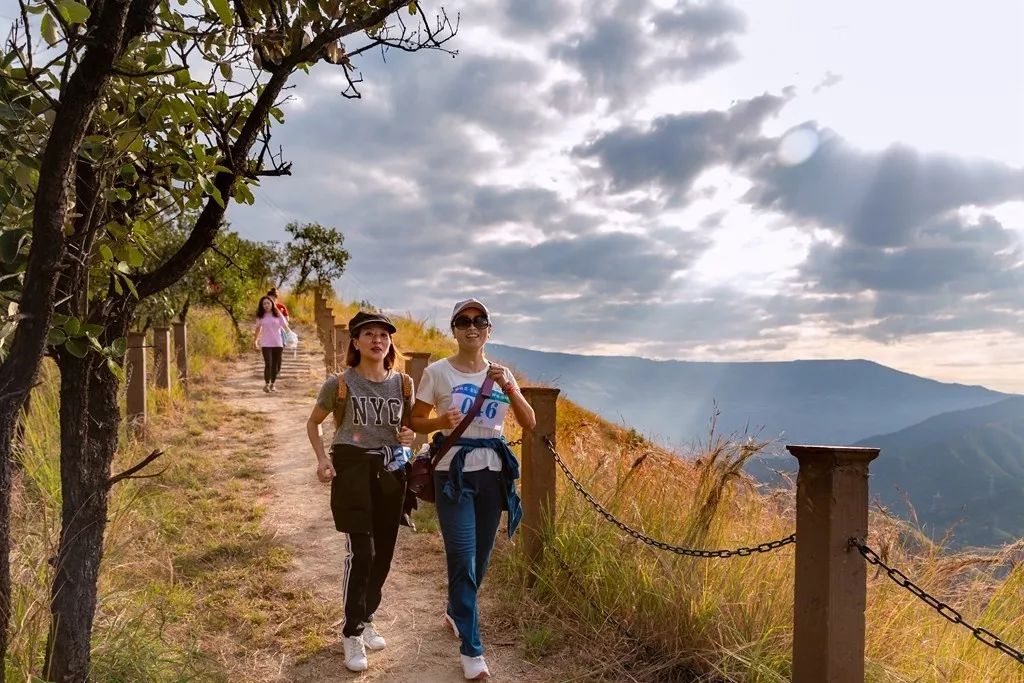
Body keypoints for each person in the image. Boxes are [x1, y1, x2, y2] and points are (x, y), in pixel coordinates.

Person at [410, 298, 535, 681]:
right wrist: (438, 422)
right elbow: (415, 420)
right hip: (453, 475)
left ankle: (455, 610)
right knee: (462, 558)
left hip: (493, 476)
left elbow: (529, 422)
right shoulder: (437, 373)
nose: (472, 326)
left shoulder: (502, 374)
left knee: (480, 559)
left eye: (480, 321)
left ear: (488, 330)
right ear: (454, 329)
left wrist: (509, 388)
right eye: (463, 321)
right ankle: (472, 649)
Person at [305, 311, 416, 673]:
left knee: (383, 553)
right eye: (369, 334)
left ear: (389, 343)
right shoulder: (339, 383)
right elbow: (314, 423)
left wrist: (408, 437)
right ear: (355, 342)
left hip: (390, 471)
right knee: (362, 552)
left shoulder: (403, 384)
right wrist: (323, 459)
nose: (377, 340)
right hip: (352, 468)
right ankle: (351, 631)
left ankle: (367, 617)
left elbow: (406, 428)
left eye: (383, 335)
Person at [254, 295, 292, 393]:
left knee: (275, 364)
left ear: (272, 304)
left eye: (268, 303)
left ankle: (273, 384)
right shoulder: (260, 316)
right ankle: (266, 384)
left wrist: (291, 336)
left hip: (278, 343)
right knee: (268, 363)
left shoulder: (278, 314)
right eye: (264, 304)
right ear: (261, 306)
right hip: (266, 343)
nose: (266, 305)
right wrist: (255, 341)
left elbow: (286, 326)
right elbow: (258, 328)